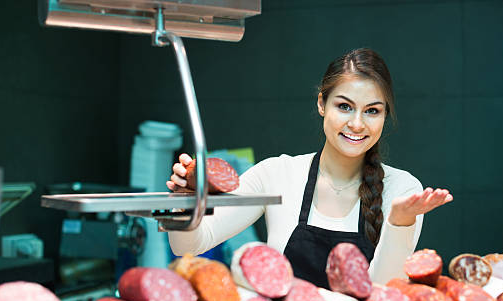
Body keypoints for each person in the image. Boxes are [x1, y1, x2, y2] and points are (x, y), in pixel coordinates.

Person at [166, 47, 452, 286]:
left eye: (372, 111)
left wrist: (399, 223)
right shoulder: (276, 175)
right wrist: (182, 202)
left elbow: (386, 291)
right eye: (344, 106)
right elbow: (189, 246)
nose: (356, 124)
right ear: (321, 104)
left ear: (384, 116)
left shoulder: (404, 190)